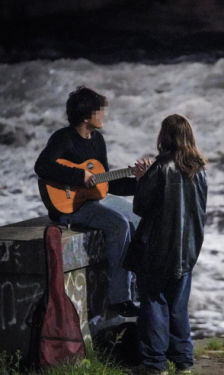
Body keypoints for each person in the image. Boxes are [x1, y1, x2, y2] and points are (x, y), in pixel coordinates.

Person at [34, 85, 148, 317]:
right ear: (87, 117)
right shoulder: (63, 138)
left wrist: (141, 183)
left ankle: (139, 290)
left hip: (96, 199)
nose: (103, 115)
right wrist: (79, 176)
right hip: (70, 206)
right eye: (99, 111)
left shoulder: (98, 140)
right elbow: (42, 166)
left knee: (138, 216)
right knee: (119, 224)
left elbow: (105, 184)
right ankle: (120, 298)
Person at [124, 114, 208, 375]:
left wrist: (140, 179)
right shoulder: (199, 169)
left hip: (158, 249)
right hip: (188, 249)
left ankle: (155, 364)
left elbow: (140, 206)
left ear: (165, 136)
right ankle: (184, 362)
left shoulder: (160, 167)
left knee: (154, 305)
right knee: (178, 306)